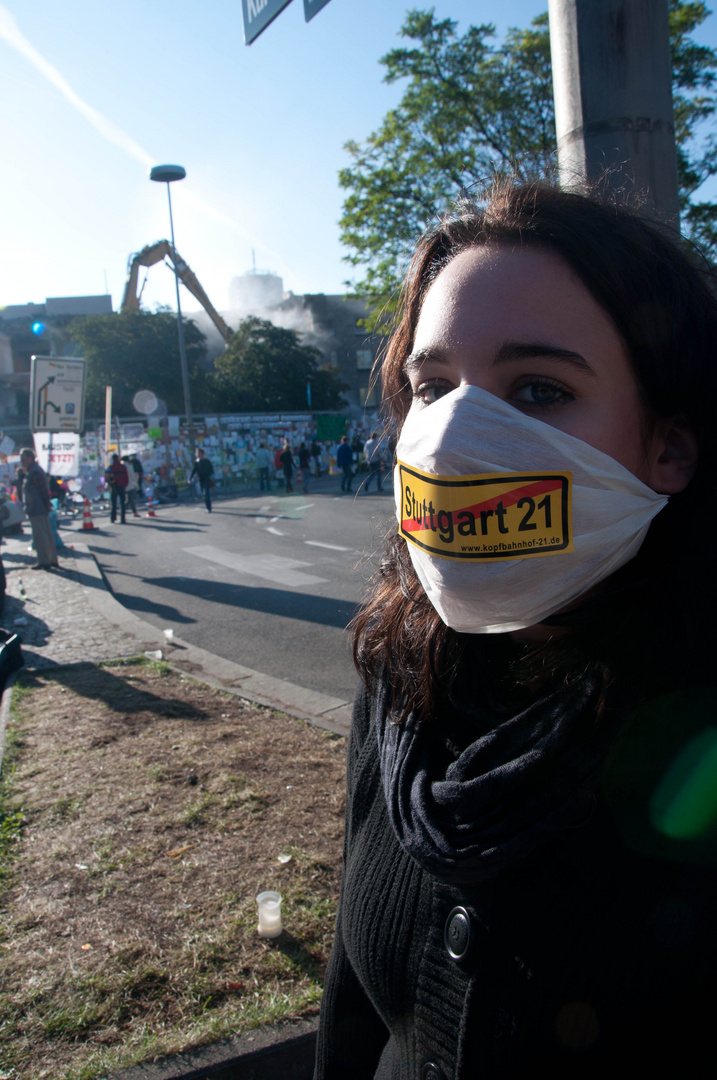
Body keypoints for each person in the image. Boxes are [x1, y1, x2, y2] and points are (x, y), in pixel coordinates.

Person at [314, 180, 717, 1078]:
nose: (456, 435)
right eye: (431, 386)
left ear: (670, 447)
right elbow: (351, 1008)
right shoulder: (397, 676)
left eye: (537, 389)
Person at [20, 448, 58, 569]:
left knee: (40, 537)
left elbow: (43, 491)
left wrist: (46, 505)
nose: (22, 461)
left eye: (24, 458)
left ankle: (44, 561)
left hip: (36, 508)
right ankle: (51, 559)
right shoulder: (33, 471)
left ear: (31, 458)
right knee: (46, 535)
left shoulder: (34, 472)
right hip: (38, 507)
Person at [105, 454, 128, 524]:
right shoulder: (123, 467)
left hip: (113, 486)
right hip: (121, 486)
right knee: (122, 503)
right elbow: (126, 477)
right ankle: (123, 519)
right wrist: (125, 485)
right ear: (118, 458)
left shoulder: (110, 467)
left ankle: (113, 518)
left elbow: (107, 478)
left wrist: (110, 484)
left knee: (114, 503)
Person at [190, 448, 214, 512]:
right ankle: (207, 507)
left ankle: (209, 508)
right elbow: (193, 471)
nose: (197, 454)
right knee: (203, 495)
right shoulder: (196, 462)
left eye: (198, 452)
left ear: (202, 453)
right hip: (200, 480)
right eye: (196, 452)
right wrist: (190, 478)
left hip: (206, 479)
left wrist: (209, 476)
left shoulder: (206, 461)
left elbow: (211, 469)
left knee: (206, 493)